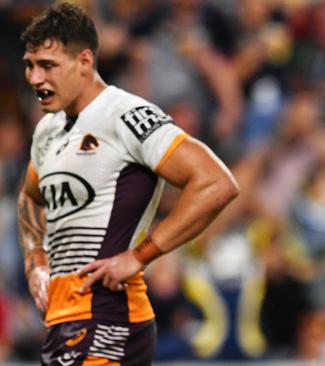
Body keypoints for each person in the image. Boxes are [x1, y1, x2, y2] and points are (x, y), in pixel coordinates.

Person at [17, 3, 239, 365]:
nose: (34, 79)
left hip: (109, 318)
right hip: (63, 321)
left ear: (84, 62)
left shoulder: (127, 115)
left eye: (47, 66)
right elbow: (29, 199)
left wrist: (141, 255)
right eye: (30, 65)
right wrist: (35, 262)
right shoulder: (47, 129)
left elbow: (217, 183)